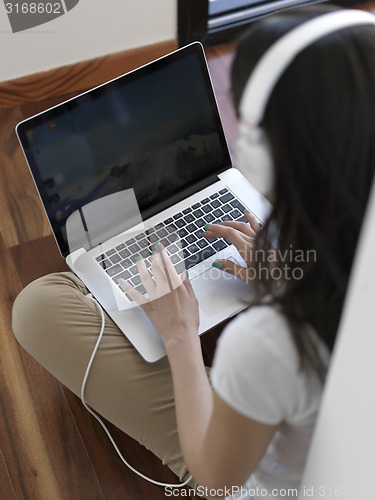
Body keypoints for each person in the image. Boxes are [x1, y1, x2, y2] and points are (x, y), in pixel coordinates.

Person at [12, 5, 375, 499]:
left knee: (39, 307)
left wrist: (181, 334)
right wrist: (288, 277)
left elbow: (217, 477)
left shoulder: (270, 343)